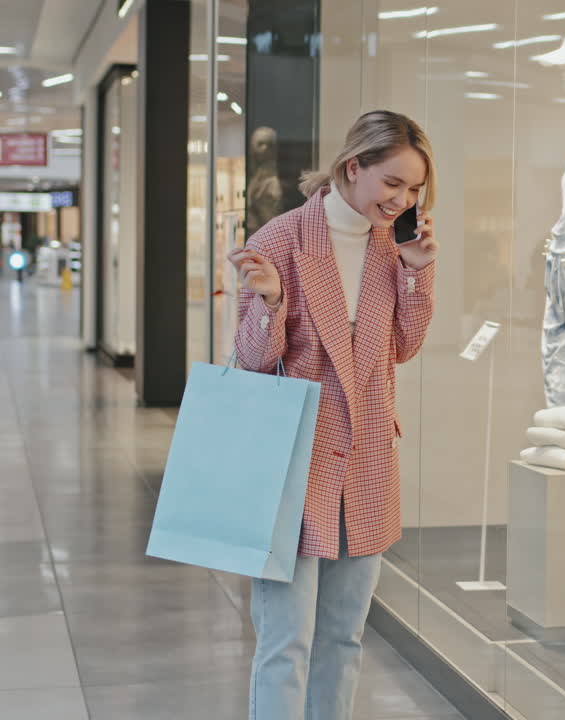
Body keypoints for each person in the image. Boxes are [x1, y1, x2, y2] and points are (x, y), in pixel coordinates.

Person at [226, 109, 438, 720]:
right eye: (392, 184)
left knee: (344, 636)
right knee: (285, 639)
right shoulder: (281, 241)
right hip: (293, 460)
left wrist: (418, 275)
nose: (403, 199)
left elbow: (402, 346)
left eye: (415, 189)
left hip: (368, 459)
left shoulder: (394, 247)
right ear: (353, 168)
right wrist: (270, 303)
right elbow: (250, 364)